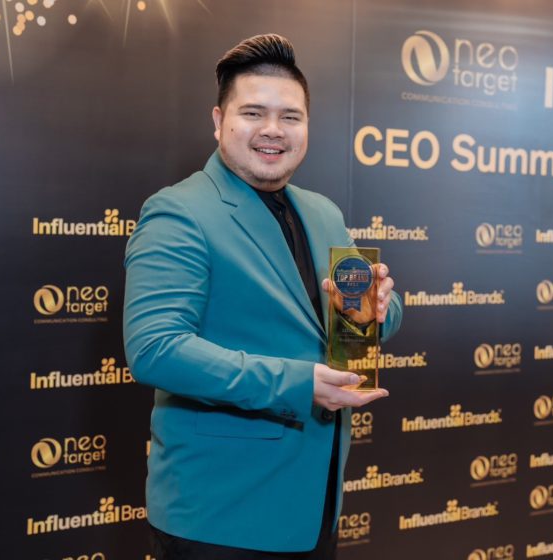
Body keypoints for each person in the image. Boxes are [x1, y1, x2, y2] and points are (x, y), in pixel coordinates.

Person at [123, 33, 402, 559]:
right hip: (220, 516)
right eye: (253, 113)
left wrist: (375, 309)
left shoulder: (323, 212)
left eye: (290, 116)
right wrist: (297, 384)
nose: (273, 129)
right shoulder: (178, 211)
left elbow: (362, 320)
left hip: (313, 505)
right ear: (218, 121)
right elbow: (156, 349)